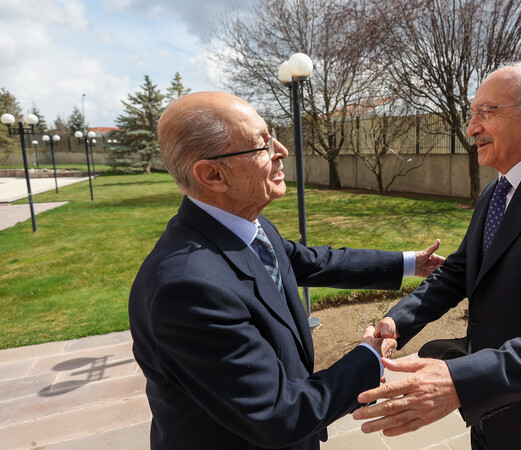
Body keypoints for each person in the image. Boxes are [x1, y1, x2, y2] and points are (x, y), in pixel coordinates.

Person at [128, 91, 444, 450]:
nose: (282, 151)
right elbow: (280, 414)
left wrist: (408, 263)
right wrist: (369, 356)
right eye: (261, 145)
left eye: (272, 135)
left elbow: (312, 261)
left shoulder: (244, 227)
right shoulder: (187, 289)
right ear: (212, 174)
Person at [353, 62, 521, 449]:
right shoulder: (495, 193)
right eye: (471, 114)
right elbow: (458, 273)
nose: (471, 128)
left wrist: (460, 381)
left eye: (486, 112)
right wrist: (396, 323)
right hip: (492, 422)